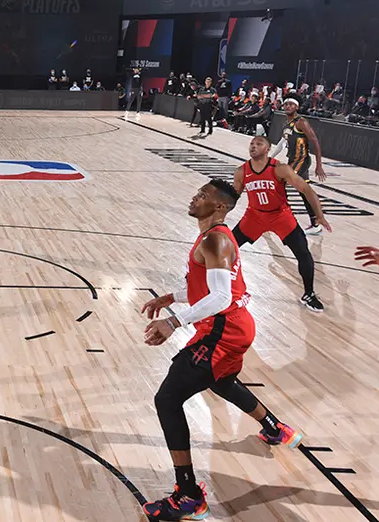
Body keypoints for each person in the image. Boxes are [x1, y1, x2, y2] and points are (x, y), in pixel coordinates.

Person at [140, 180, 303, 520]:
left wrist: (174, 321)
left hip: (222, 331)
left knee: (167, 399)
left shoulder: (215, 239)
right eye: (197, 191)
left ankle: (188, 496)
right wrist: (171, 297)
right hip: (234, 326)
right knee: (222, 382)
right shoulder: (212, 238)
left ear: (220, 207)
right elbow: (207, 288)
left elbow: (220, 297)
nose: (195, 196)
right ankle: (274, 428)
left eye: (203, 195)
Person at [233, 136, 331, 312]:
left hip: (280, 216)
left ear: (268, 149)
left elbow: (307, 189)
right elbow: (233, 198)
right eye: (252, 144)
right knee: (225, 246)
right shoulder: (241, 171)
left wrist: (320, 216)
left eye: (259, 144)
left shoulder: (280, 168)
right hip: (254, 215)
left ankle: (309, 293)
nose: (254, 147)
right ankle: (202, 276)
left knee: (303, 252)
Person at [269, 97, 327, 235]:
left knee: (279, 183)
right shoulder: (287, 124)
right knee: (303, 192)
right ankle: (315, 223)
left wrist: (319, 165)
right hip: (292, 160)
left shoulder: (301, 122)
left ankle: (276, 217)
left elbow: (315, 141)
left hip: (301, 160)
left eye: (291, 104)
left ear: (296, 107)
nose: (288, 106)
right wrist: (270, 157)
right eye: (286, 104)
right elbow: (282, 143)